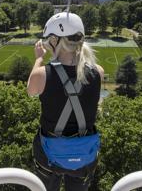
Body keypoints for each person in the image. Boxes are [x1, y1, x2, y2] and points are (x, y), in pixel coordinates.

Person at [27, 12, 104, 191]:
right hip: (84, 154)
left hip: (49, 153)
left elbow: (31, 90)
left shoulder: (42, 74)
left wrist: (39, 58)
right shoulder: (97, 72)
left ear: (55, 40)